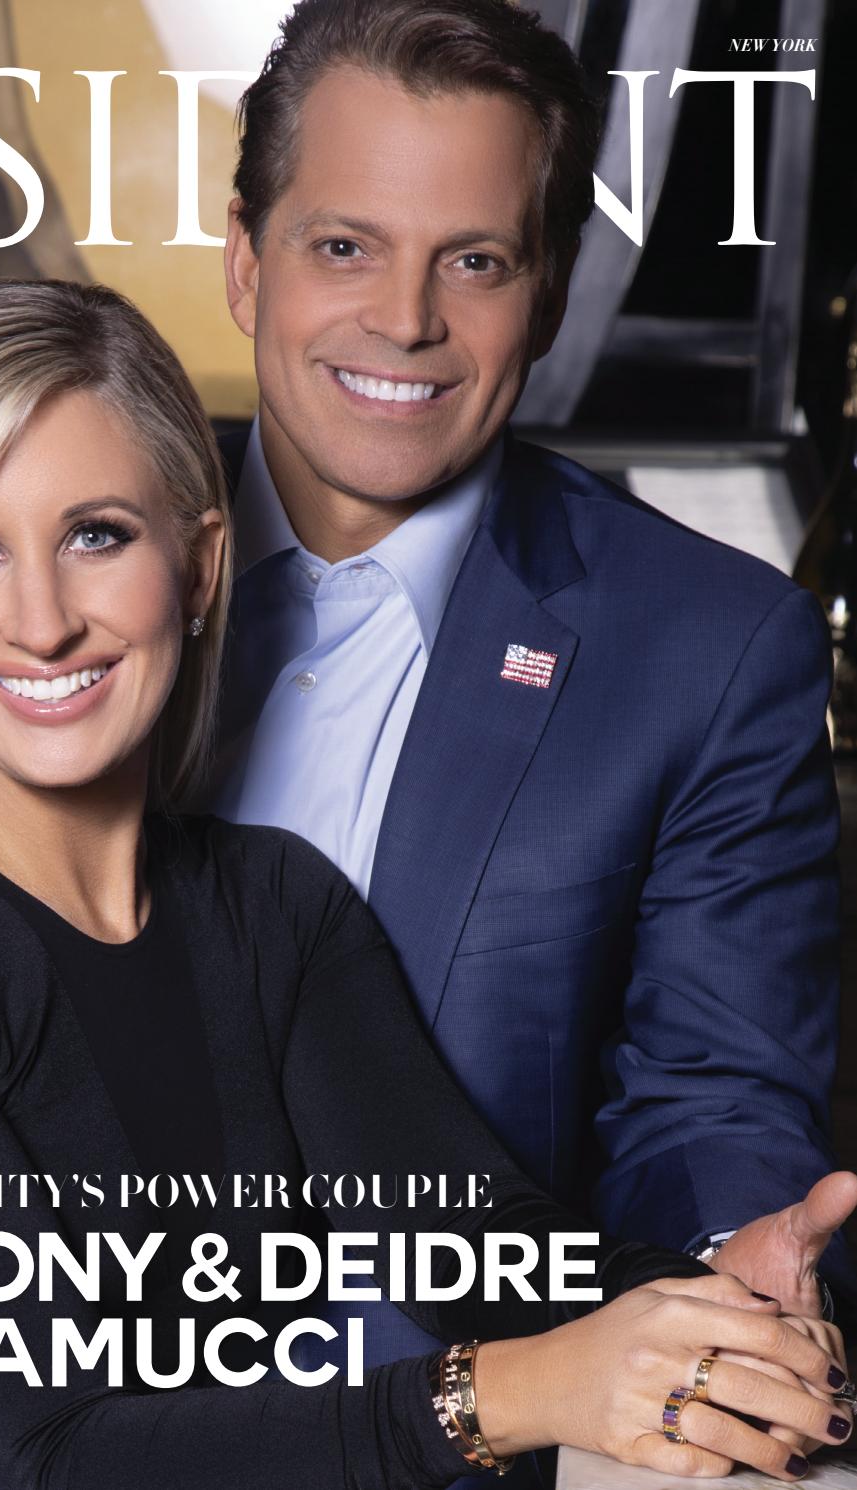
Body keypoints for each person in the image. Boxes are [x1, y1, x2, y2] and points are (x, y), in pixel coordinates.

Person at [0, 282, 852, 1488]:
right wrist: (522, 1387)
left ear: (202, 561)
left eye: (96, 533)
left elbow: (482, 1251)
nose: (42, 619)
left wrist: (719, 1300)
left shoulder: (272, 907)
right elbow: (59, 1453)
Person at [207, 0, 857, 1368]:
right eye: (343, 246)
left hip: (454, 1431)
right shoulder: (52, 551)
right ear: (244, 263)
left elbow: (705, 1103)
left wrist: (723, 1267)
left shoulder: (710, 648)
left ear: (547, 290)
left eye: (476, 261)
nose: (404, 319)